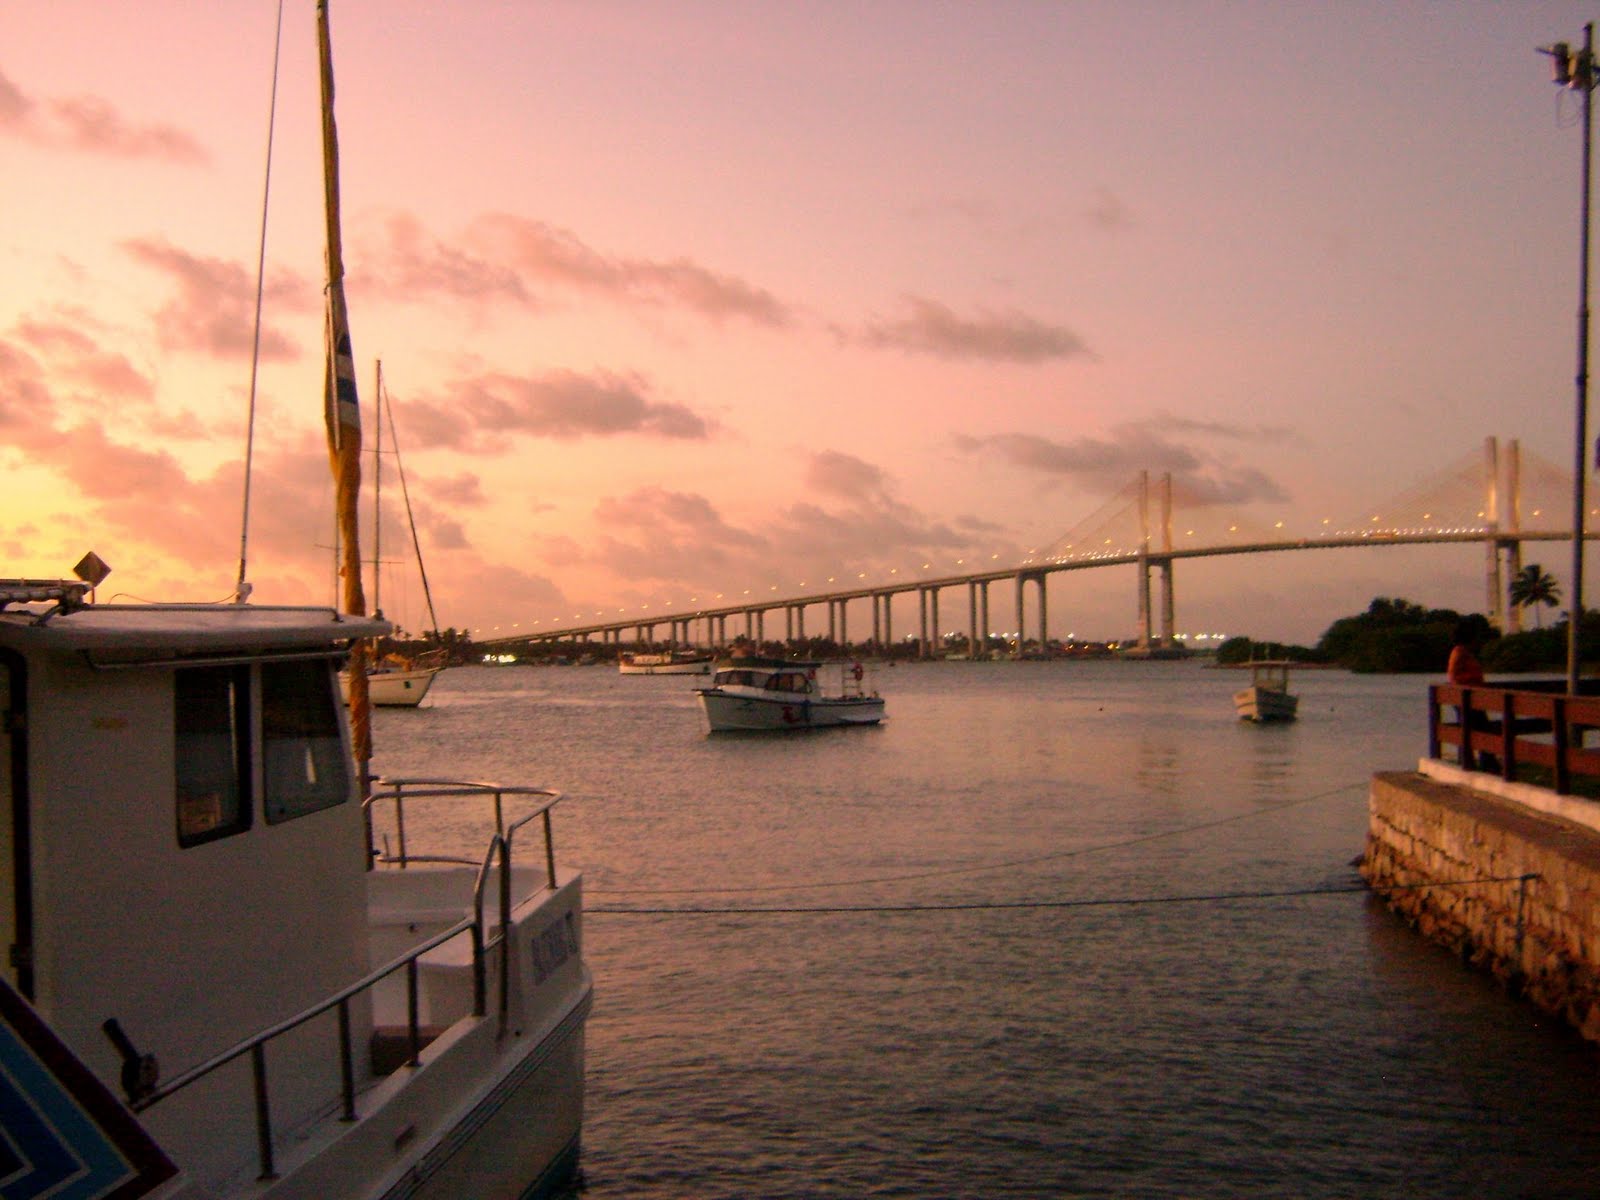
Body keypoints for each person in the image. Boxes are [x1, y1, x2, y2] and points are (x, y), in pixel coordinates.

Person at [1447, 617, 1497, 772]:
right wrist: (1472, 681)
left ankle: (1485, 762)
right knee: (1478, 729)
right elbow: (1453, 676)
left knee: (1481, 729)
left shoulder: (1466, 652)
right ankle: (1481, 763)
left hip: (1474, 698)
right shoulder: (1459, 652)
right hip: (1465, 698)